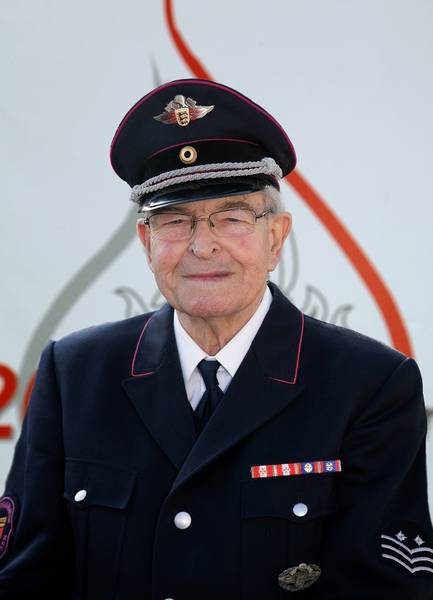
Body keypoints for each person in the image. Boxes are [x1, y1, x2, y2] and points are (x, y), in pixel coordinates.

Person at [0, 79, 432, 600]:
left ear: (276, 238)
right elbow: (25, 578)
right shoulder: (75, 374)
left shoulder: (370, 385)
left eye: (232, 217)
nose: (203, 246)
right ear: (146, 241)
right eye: (174, 220)